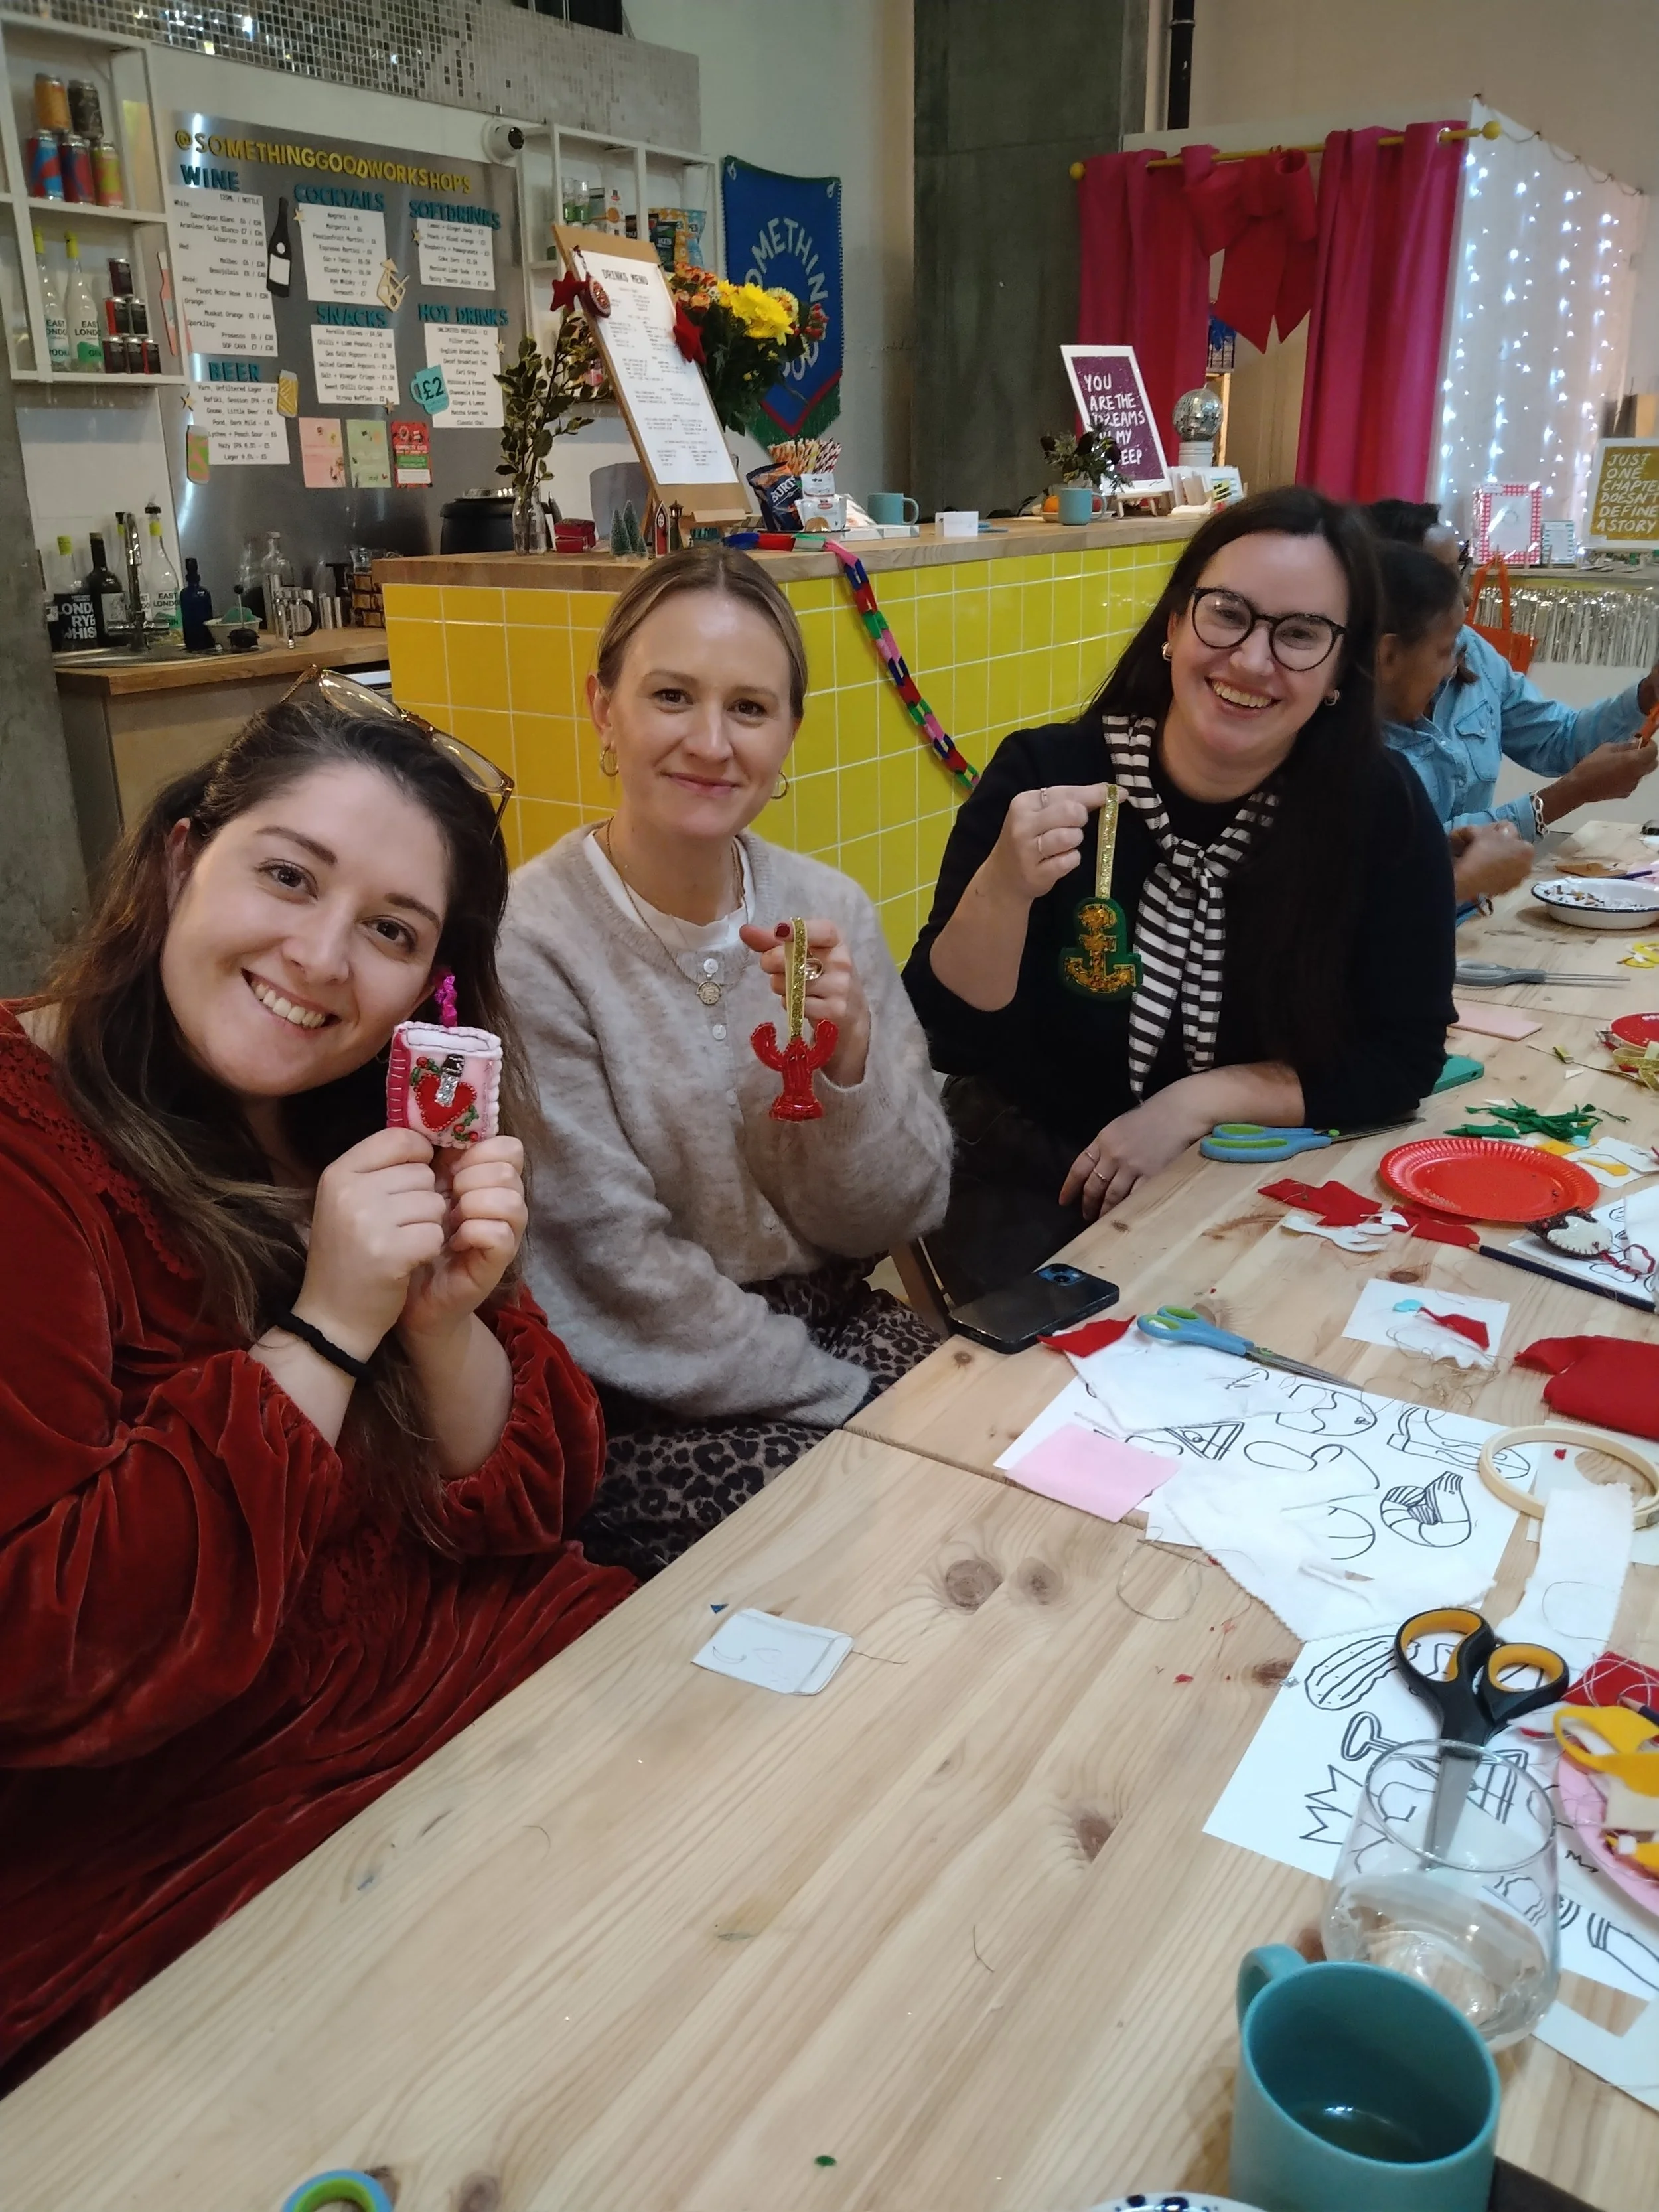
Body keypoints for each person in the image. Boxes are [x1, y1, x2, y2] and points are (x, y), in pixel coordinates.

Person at [0, 678, 632, 2087]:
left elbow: (537, 1498)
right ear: (180, 860)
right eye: (288, 875)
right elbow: (49, 1650)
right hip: (185, 1857)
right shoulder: (25, 1145)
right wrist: (330, 1327)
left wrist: (438, 1322)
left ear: (431, 987)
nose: (323, 956)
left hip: (482, 1702)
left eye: (393, 932)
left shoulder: (362, 1122)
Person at [500, 546, 952, 1580]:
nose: (710, 742)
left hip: (834, 1325)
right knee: (865, 1550)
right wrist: (855, 1404)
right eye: (671, 696)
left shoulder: (827, 910)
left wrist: (847, 1073)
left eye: (749, 708)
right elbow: (611, 1272)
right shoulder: (533, 942)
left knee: (1012, 1480)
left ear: (789, 734)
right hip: (643, 1390)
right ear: (603, 710)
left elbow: (900, 1214)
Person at [903, 486, 1456, 1303]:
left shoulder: (1376, 806)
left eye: (1299, 635)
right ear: (1173, 625)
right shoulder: (1048, 775)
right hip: (1032, 1184)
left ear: (1342, 669)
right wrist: (1004, 888)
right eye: (1226, 614)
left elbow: (1403, 1058)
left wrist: (1195, 1101)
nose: (1252, 660)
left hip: (1260, 1180)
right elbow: (949, 1038)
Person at [1366, 499, 1659, 871]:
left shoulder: (1468, 648)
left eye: (1462, 567)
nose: (1467, 594)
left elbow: (1558, 740)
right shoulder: (1342, 713)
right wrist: (1570, 793)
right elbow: (1410, 850)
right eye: (1441, 579)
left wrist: (1646, 694)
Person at [1374, 538, 1532, 907]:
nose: (1450, 669)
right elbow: (1347, 922)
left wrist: (1440, 850)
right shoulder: (1346, 760)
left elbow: (1381, 865)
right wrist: (1466, 879)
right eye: (1444, 652)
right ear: (1389, 655)